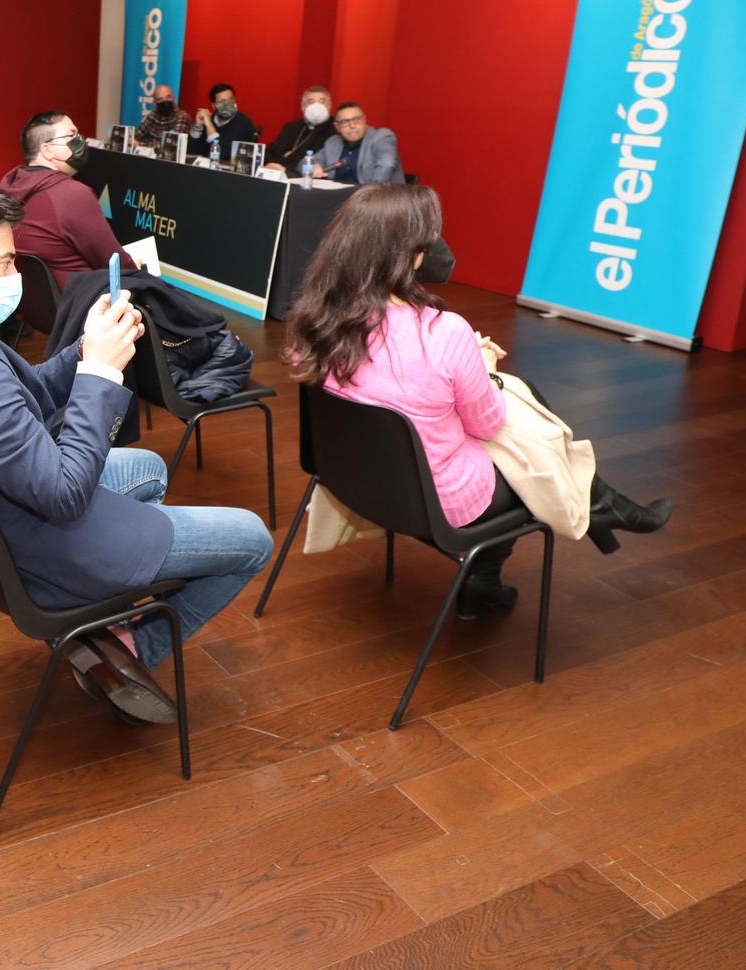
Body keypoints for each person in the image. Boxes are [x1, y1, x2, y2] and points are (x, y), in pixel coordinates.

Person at [0, 186, 272, 724]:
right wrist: (101, 374)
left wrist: (85, 352)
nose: (12, 273)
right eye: (5, 261)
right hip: (45, 539)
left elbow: (20, 400)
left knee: (150, 466)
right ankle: (133, 647)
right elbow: (65, 495)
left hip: (10, 510)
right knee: (254, 539)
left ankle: (118, 607)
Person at [286, 184, 672, 617]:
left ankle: (596, 509)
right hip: (436, 501)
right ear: (409, 254)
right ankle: (501, 570)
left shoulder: (315, 319)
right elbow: (486, 425)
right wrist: (483, 366)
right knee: (530, 452)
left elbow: (386, 375)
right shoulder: (443, 332)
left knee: (526, 419)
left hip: (356, 478)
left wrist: (463, 362)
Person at [0, 111, 134, 288]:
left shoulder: (8, 190)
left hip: (36, 310)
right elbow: (116, 265)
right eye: (71, 135)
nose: (80, 140)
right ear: (47, 150)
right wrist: (138, 268)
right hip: (84, 306)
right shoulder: (71, 195)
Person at [309, 102, 404, 184]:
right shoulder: (333, 142)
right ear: (337, 127)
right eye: (345, 122)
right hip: (340, 198)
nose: (352, 125)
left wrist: (370, 194)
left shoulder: (381, 137)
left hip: (381, 200)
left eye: (357, 119)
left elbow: (387, 163)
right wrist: (313, 167)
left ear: (364, 120)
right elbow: (306, 162)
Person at [268, 86, 337, 175]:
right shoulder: (290, 127)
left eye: (322, 102)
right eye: (311, 102)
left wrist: (286, 171)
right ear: (303, 106)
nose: (316, 107)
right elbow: (271, 152)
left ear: (329, 106)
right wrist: (271, 165)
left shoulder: (334, 131)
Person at [204, 83, 259, 160]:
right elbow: (191, 151)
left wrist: (209, 125)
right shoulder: (209, 119)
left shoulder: (243, 123)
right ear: (214, 105)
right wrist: (198, 126)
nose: (227, 104)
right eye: (222, 101)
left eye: (231, 100)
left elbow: (221, 155)